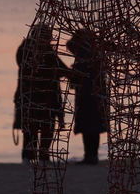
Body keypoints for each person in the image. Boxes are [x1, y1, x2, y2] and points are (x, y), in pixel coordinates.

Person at [16, 25, 69, 164]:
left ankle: (37, 156)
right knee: (35, 128)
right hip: (39, 98)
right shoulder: (31, 52)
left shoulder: (35, 52)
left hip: (40, 98)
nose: (49, 40)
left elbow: (62, 70)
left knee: (40, 128)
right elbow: (62, 70)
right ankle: (32, 156)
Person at [67, 30, 107, 164]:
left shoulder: (84, 53)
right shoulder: (95, 51)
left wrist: (72, 74)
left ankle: (90, 156)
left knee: (88, 126)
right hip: (97, 94)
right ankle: (92, 155)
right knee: (93, 126)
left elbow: (80, 73)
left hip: (87, 95)